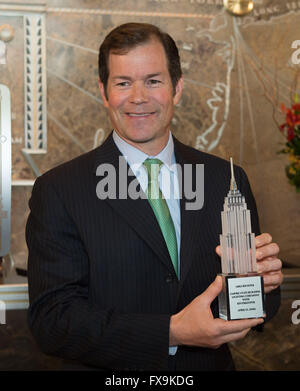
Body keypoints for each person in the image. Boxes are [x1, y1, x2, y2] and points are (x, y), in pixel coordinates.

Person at [26, 23, 283, 371]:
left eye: (153, 80)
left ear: (177, 88)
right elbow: (53, 323)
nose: (138, 97)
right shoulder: (60, 190)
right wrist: (172, 332)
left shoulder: (226, 179)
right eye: (122, 83)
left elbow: (251, 302)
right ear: (103, 92)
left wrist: (264, 284)